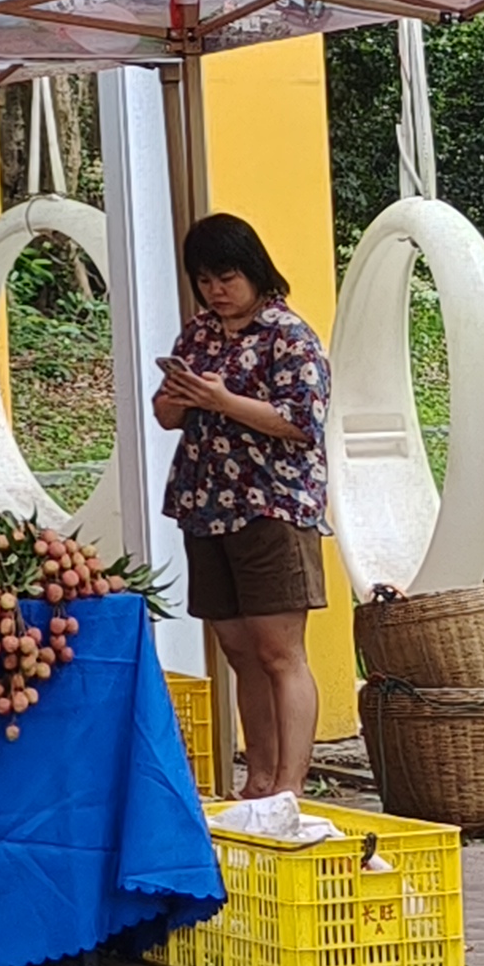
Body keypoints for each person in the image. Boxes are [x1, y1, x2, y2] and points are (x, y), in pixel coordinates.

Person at [154, 209, 334, 801]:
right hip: (206, 505)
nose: (216, 291)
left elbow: (302, 423)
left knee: (279, 651)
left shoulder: (289, 336)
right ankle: (257, 779)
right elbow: (165, 415)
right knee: (238, 649)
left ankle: (289, 785)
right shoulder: (198, 334)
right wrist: (182, 396)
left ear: (254, 270)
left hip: (272, 506)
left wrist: (223, 399)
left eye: (227, 277)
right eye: (205, 280)